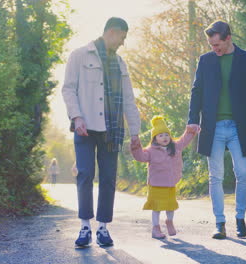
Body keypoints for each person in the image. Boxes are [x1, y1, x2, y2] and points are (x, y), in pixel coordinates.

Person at [62, 17, 141, 248]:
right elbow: (68, 89)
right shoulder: (79, 55)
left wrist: (134, 131)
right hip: (84, 127)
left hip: (112, 128)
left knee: (108, 178)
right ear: (113, 32)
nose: (123, 43)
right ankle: (85, 227)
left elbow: (128, 98)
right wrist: (76, 117)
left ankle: (103, 228)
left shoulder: (120, 63)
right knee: (85, 174)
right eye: (123, 38)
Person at [187, 21, 246, 239]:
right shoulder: (205, 60)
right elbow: (196, 91)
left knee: (244, 174)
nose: (214, 48)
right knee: (216, 177)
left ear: (228, 38)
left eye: (217, 44)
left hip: (240, 127)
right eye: (211, 45)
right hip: (213, 127)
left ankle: (240, 218)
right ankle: (219, 223)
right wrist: (193, 119)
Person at [130, 116, 196, 239]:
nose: (164, 137)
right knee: (156, 208)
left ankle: (169, 222)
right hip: (156, 185)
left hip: (170, 184)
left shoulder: (175, 146)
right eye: (160, 135)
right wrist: (135, 145)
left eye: (166, 134)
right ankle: (155, 228)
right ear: (154, 138)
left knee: (170, 206)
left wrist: (191, 131)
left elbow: (184, 140)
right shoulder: (150, 151)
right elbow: (140, 156)